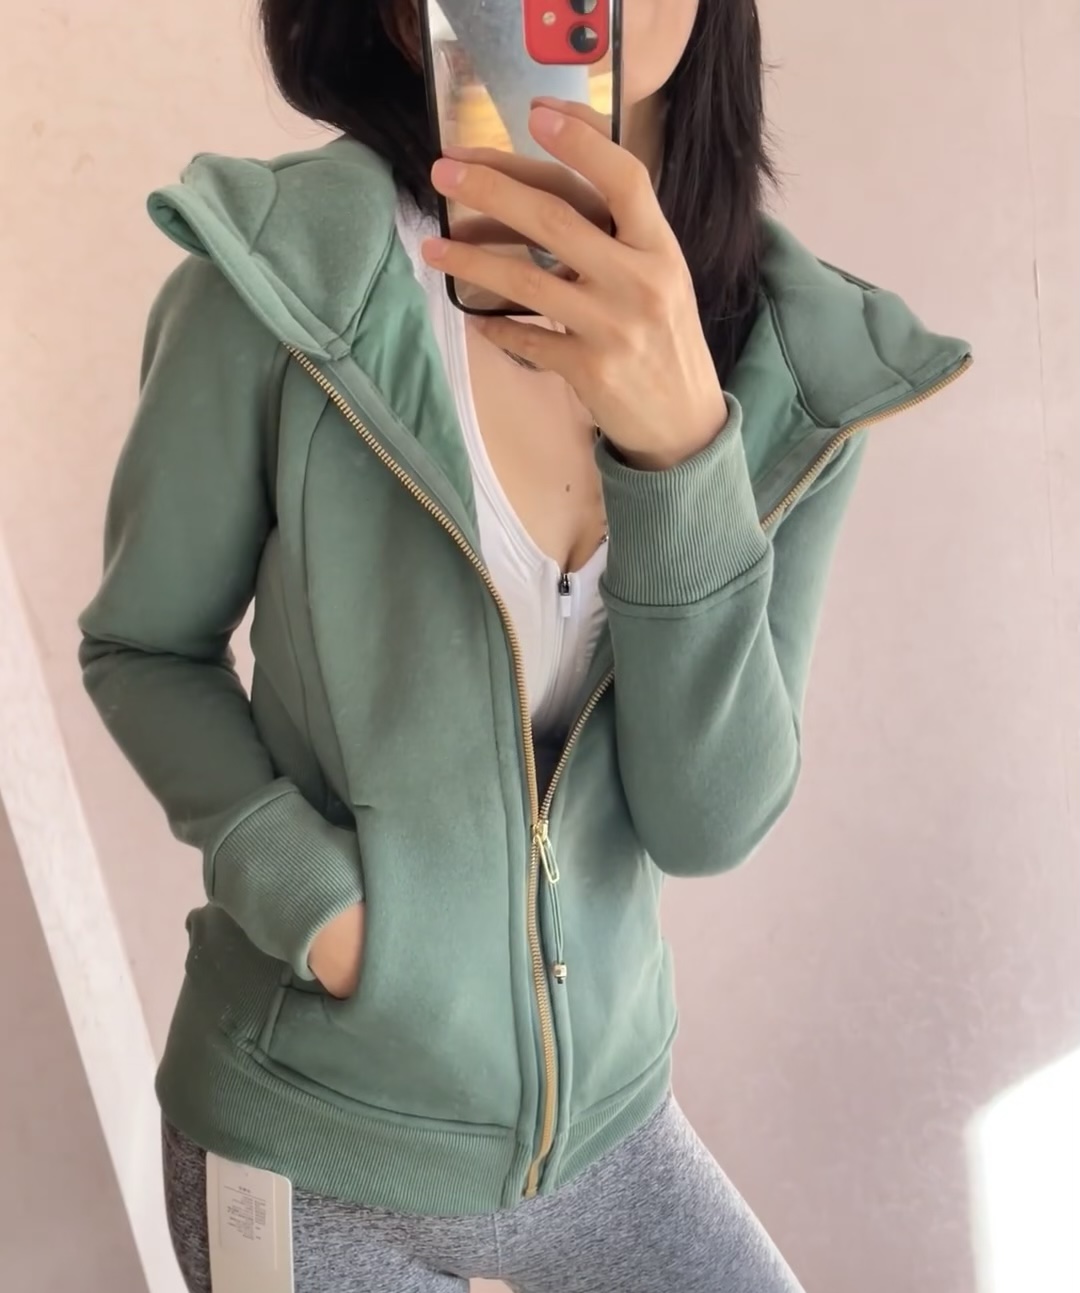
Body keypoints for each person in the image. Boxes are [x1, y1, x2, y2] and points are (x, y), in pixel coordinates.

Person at [78, 1, 971, 1290]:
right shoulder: (277, 283)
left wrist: (683, 452)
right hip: (307, 1143)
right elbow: (143, 648)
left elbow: (707, 821)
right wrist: (321, 908)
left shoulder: (804, 367)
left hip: (608, 1131)